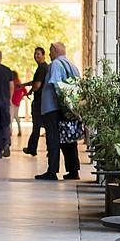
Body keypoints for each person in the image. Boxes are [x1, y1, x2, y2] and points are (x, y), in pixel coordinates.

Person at [36, 42, 81, 181]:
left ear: (55, 51)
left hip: (53, 108)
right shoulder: (72, 65)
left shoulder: (55, 64)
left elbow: (56, 84)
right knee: (69, 138)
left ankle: (52, 171)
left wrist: (60, 103)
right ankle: (73, 170)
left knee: (53, 138)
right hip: (67, 108)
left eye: (50, 51)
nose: (49, 54)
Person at [22, 47, 49, 156]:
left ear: (43, 55)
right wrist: (25, 86)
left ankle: (32, 148)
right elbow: (36, 82)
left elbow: (37, 85)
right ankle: (49, 150)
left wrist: (31, 91)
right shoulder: (45, 67)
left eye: (38, 54)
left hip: (39, 102)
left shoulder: (41, 68)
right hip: (45, 101)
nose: (36, 56)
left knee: (37, 126)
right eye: (35, 54)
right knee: (46, 126)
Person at [10, 71, 28, 137]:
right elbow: (25, 91)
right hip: (17, 102)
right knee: (16, 116)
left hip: (11, 101)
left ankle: (10, 131)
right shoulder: (19, 83)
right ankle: (19, 130)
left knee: (11, 116)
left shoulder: (12, 82)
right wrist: (21, 97)